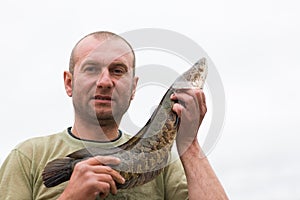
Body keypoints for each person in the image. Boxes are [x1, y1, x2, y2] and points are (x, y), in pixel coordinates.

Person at [0, 31, 228, 200]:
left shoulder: (167, 167)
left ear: (133, 88)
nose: (105, 82)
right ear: (69, 83)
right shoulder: (27, 158)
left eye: (117, 71)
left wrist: (190, 145)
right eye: (91, 69)